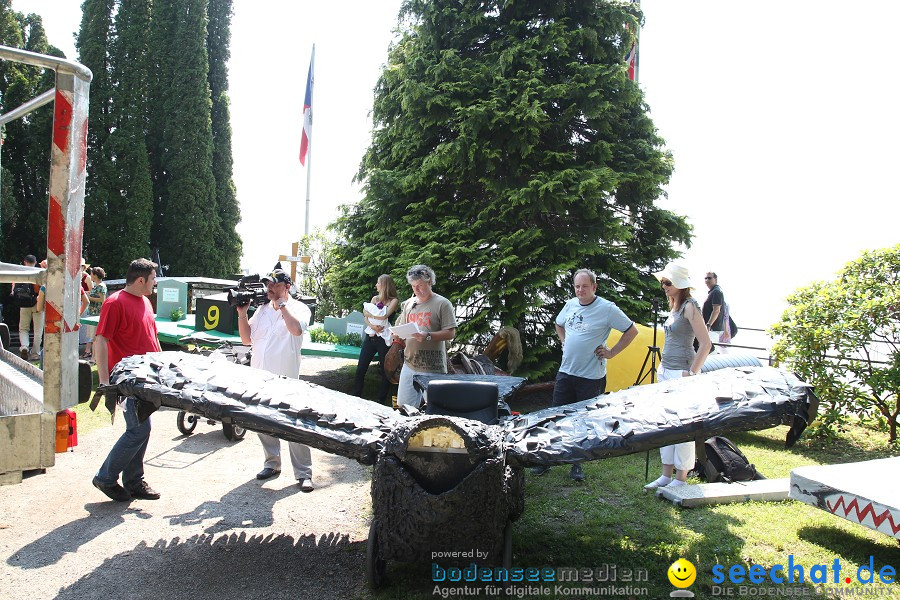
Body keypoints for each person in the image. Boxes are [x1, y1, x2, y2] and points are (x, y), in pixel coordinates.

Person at [537, 268, 638, 481]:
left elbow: (631, 331)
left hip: (590, 376)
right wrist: (563, 340)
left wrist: (612, 353)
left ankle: (577, 464)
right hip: (566, 371)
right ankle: (547, 459)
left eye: (584, 286)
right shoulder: (571, 304)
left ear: (594, 286)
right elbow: (558, 322)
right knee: (556, 417)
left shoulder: (607, 309)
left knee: (583, 421)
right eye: (577, 286)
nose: (580, 290)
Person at [236, 268, 315, 492]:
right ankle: (272, 464)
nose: (269, 288)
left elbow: (296, 330)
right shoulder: (261, 310)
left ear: (286, 287)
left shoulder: (300, 308)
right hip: (260, 378)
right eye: (267, 284)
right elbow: (246, 339)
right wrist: (242, 313)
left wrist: (282, 306)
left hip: (287, 380)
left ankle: (303, 473)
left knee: (294, 426)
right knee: (263, 423)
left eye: (274, 284)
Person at [92, 258, 163, 502]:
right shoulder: (115, 302)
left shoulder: (145, 302)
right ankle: (105, 477)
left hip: (147, 378)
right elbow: (101, 340)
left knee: (143, 428)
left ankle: (134, 482)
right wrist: (104, 381)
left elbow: (152, 338)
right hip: (127, 380)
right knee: (138, 429)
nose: (155, 283)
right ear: (141, 279)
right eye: (153, 278)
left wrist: (163, 367)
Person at [644, 262, 712, 490]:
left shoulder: (691, 306)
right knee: (666, 422)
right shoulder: (675, 306)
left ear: (681, 285)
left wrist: (692, 373)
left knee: (683, 425)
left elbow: (706, 344)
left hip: (681, 372)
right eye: (663, 282)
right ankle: (665, 474)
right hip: (666, 370)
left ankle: (681, 477)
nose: (664, 286)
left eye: (668, 282)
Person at [392, 265, 457, 409]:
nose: (416, 290)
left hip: (433, 367)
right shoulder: (409, 304)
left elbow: (451, 333)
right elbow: (403, 328)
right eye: (413, 286)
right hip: (409, 364)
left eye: (420, 285)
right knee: (404, 409)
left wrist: (427, 335)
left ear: (429, 282)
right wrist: (397, 334)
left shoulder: (443, 303)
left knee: (437, 411)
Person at [353, 274, 399, 404]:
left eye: (378, 283)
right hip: (371, 337)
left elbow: (385, 316)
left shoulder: (393, 301)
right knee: (361, 367)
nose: (376, 285)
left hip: (384, 341)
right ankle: (355, 396)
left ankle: (381, 400)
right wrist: (374, 326)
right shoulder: (374, 298)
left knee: (386, 371)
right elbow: (365, 317)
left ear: (384, 284)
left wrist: (370, 313)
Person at [11, 255, 43, 361]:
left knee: (23, 328)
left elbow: (14, 286)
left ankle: (24, 346)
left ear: (25, 262)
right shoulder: (39, 273)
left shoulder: (21, 272)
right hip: (38, 304)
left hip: (24, 304)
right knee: (38, 330)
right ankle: (35, 354)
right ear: (35, 262)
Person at [82, 266, 107, 359]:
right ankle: (94, 357)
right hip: (93, 313)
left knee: (95, 337)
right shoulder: (97, 285)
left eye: (92, 273)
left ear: (95, 275)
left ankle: (94, 358)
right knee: (93, 337)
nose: (90, 275)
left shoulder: (100, 286)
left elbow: (102, 299)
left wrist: (89, 298)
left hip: (96, 314)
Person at [702, 271, 729, 353]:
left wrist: (708, 325)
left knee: (710, 354)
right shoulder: (714, 291)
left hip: (713, 329)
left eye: (709, 278)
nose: (707, 280)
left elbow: (716, 310)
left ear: (715, 279)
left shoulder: (716, 292)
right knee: (715, 352)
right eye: (705, 278)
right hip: (714, 329)